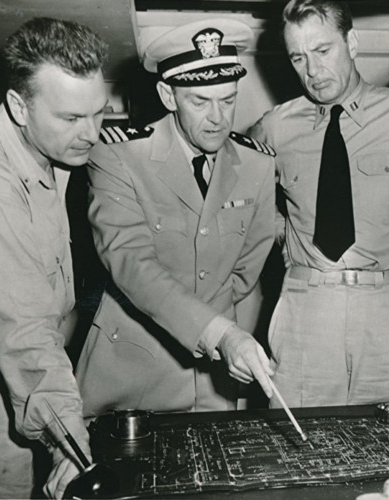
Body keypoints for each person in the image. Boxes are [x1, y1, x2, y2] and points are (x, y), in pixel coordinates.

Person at [75, 19, 276, 416]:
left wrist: (224, 339)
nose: (218, 117)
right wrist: (217, 332)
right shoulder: (117, 156)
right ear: (168, 95)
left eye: (228, 99)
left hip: (215, 381)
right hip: (131, 373)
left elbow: (246, 269)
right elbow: (132, 264)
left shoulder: (257, 163)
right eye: (199, 102)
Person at [249, 0, 389, 408]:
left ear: (353, 43)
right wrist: (283, 237)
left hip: (385, 306)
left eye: (322, 51)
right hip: (307, 305)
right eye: (298, 57)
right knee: (300, 449)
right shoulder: (275, 125)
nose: (311, 70)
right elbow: (239, 198)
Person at [0, 18, 108, 499]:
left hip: (33, 373)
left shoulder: (50, 149)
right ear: (19, 107)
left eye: (98, 114)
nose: (91, 133)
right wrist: (69, 435)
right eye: (71, 118)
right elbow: (19, 326)